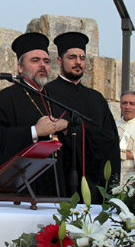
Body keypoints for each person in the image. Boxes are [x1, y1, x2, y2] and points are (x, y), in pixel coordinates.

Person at [0, 32, 69, 196]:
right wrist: (34, 131)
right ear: (20, 67)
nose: (42, 65)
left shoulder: (56, 98)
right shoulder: (5, 99)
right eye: (35, 60)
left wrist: (66, 125)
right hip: (19, 188)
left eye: (46, 61)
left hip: (53, 184)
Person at [44, 32, 121, 199]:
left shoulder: (96, 98)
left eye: (82, 57)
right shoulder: (47, 92)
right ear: (59, 61)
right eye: (72, 57)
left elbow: (110, 138)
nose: (78, 62)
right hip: (61, 175)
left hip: (95, 180)